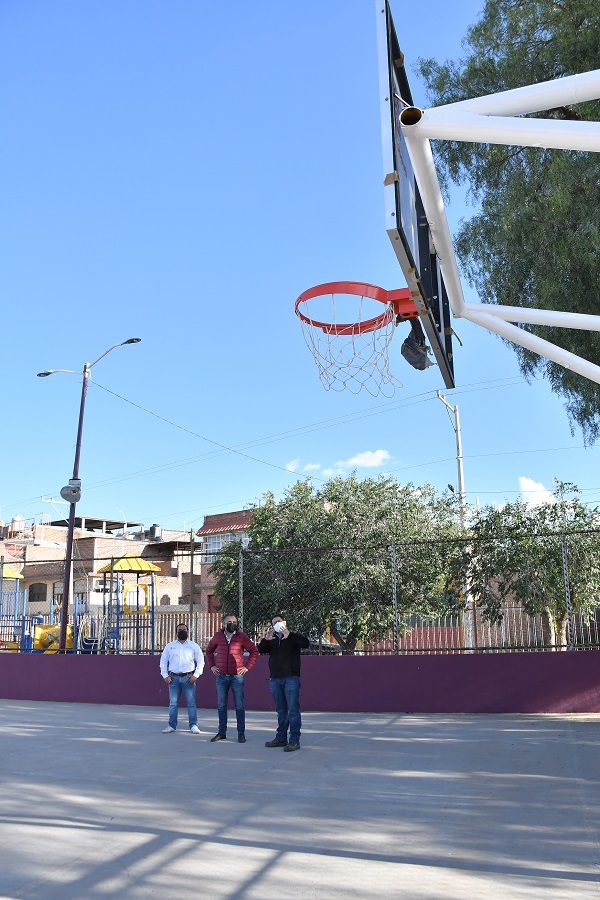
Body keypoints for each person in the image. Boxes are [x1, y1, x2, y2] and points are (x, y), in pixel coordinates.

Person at [258, 614, 309, 752]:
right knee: (281, 710)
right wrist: (266, 640)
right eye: (274, 622)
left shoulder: (292, 637)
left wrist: (289, 634)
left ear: (284, 622)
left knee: (293, 710)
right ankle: (281, 738)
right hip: (275, 679)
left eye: (279, 622)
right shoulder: (272, 639)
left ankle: (294, 740)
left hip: (291, 678)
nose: (277, 624)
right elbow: (260, 650)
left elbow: (306, 643)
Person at [205, 613, 259, 743]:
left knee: (239, 705)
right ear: (223, 624)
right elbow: (209, 651)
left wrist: (247, 667)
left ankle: (241, 733)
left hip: (237, 677)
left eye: (234, 622)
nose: (232, 624)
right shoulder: (218, 636)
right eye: (229, 622)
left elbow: (254, 651)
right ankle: (222, 732)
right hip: (221, 676)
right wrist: (212, 665)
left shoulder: (242, 636)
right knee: (221, 706)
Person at [159, 622, 204, 734]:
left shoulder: (194, 646)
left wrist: (196, 675)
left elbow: (201, 662)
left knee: (191, 703)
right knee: (173, 703)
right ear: (176, 632)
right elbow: (163, 662)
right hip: (173, 678)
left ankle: (193, 725)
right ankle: (171, 725)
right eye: (180, 630)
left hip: (189, 678)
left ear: (188, 631)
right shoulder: (170, 646)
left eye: (184, 629)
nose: (182, 631)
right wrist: (165, 675)